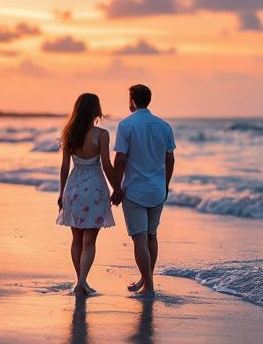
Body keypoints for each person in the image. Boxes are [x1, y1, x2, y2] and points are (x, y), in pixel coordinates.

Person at [110, 84, 175, 298]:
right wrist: (165, 185)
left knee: (139, 238)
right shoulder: (164, 126)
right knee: (152, 236)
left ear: (132, 101)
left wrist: (117, 187)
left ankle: (149, 286)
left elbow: (119, 159)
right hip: (157, 189)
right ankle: (146, 279)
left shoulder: (126, 125)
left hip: (135, 190)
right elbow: (169, 158)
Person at [56, 93, 119, 297]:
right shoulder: (101, 135)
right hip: (94, 187)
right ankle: (82, 282)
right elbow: (107, 165)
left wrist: (61, 192)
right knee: (89, 240)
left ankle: (80, 282)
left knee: (76, 238)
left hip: (73, 187)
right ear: (96, 110)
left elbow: (64, 167)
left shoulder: (69, 133)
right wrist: (117, 187)